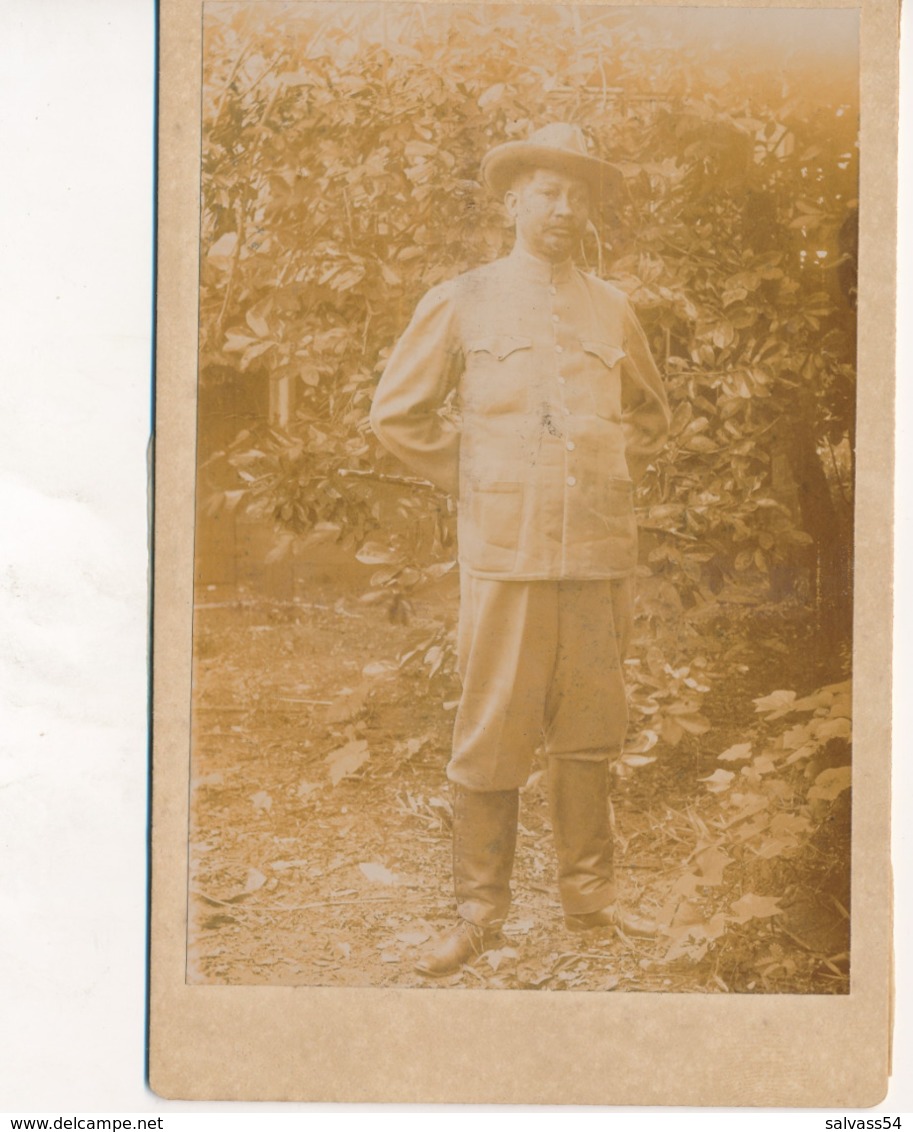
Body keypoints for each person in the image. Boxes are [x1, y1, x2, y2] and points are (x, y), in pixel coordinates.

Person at [370, 122, 671, 977]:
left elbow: (649, 416)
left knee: (589, 729)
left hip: (596, 550)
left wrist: (599, 475)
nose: (563, 208)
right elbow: (397, 415)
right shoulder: (463, 297)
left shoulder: (611, 306)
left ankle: (590, 904)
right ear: (511, 201)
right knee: (491, 729)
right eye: (546, 191)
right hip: (504, 548)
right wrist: (484, 476)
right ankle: (478, 913)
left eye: (577, 194)